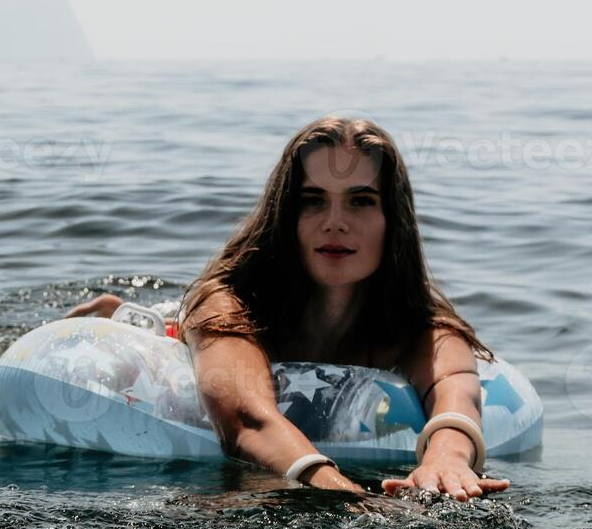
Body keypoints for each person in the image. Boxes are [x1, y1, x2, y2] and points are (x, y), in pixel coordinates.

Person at [66, 116, 509, 502]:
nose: (334, 222)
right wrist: (344, 493)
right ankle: (138, 322)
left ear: (392, 221)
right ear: (285, 215)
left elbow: (455, 386)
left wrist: (447, 460)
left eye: (361, 200)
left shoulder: (418, 326)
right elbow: (247, 420)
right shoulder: (226, 303)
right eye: (312, 200)